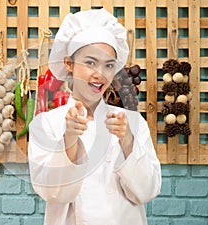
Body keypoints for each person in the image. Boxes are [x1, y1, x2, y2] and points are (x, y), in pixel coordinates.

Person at [28, 8, 161, 225]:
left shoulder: (133, 122)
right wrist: (68, 141)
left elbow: (147, 192)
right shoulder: (45, 124)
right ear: (69, 64)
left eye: (108, 65)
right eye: (90, 62)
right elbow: (51, 193)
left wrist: (127, 140)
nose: (100, 74)